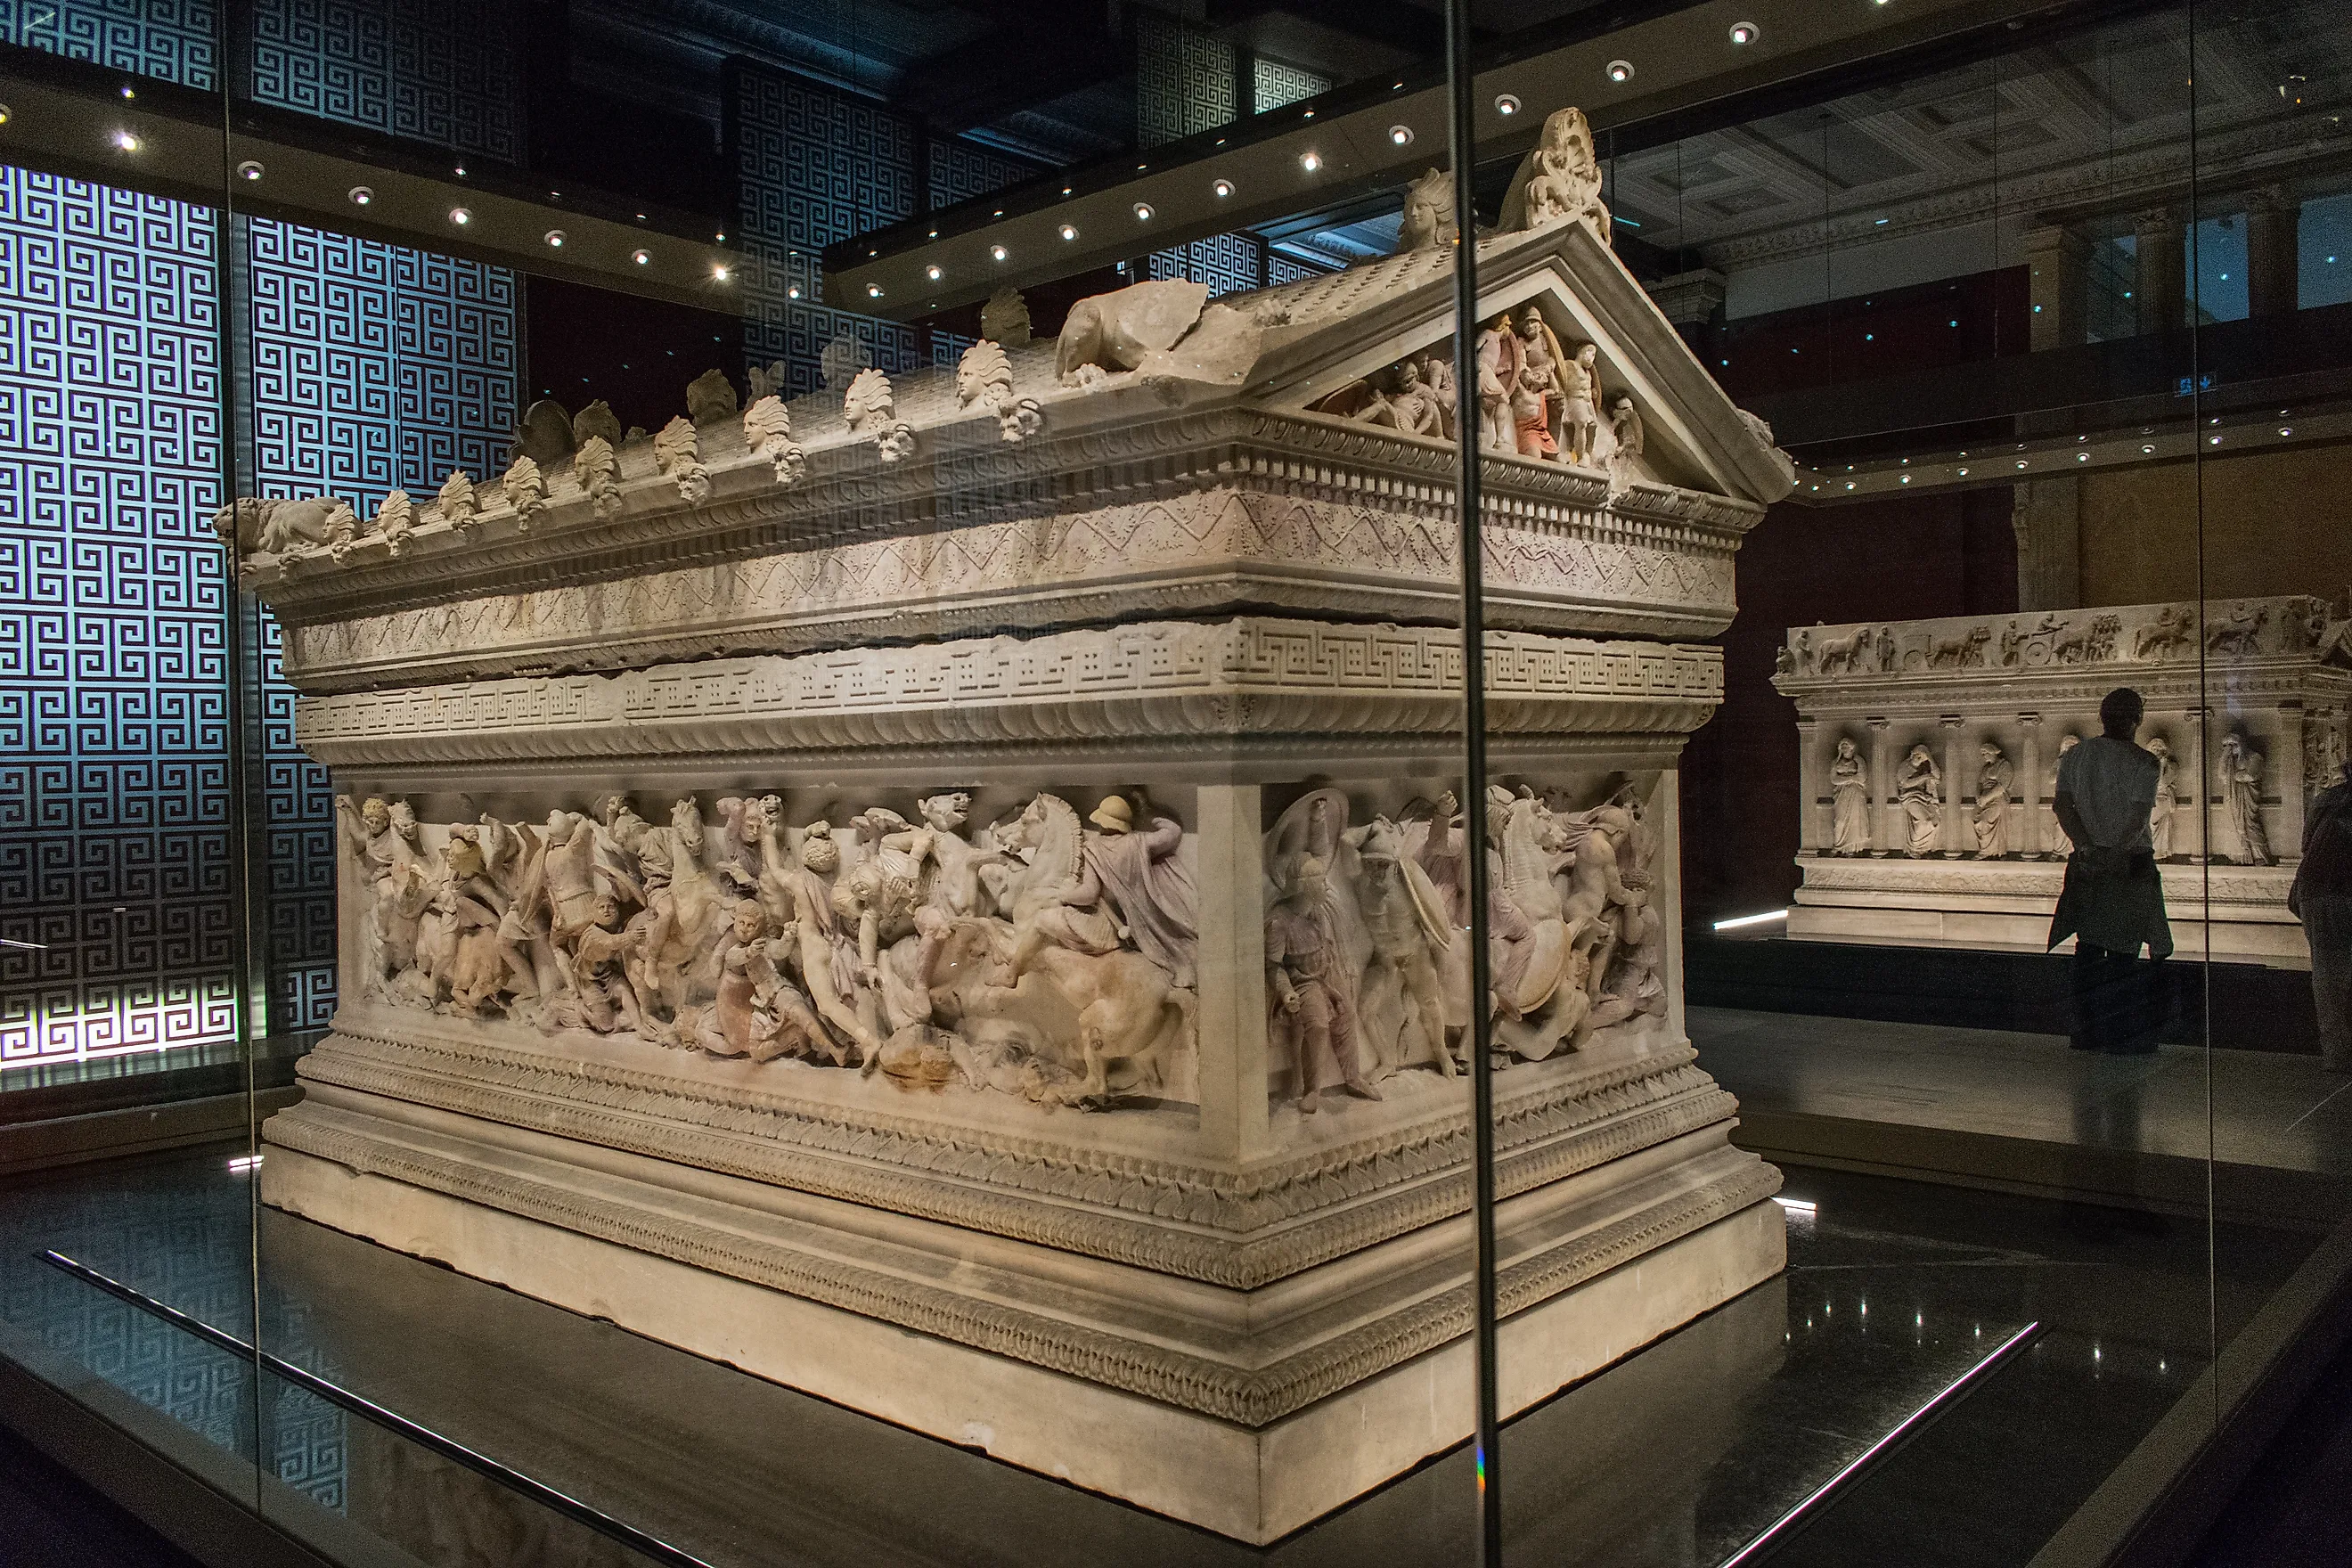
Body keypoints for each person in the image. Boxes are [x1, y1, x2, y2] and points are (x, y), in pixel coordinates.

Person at [2050, 688, 2173, 1053]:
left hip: (2088, 860)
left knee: (2087, 945)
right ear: (2135, 719)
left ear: (2102, 717)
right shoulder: (2145, 763)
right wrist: (2115, 852)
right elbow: (2138, 816)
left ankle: (2085, 1031)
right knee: (2123, 949)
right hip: (2129, 861)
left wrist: (2088, 846)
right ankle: (2121, 1034)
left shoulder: (2075, 756)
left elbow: (2062, 807)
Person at [2291, 755, 2352, 1073]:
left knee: (2328, 976)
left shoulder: (2327, 800)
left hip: (2318, 892)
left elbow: (2306, 845)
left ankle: (2337, 1054)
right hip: (2331, 892)